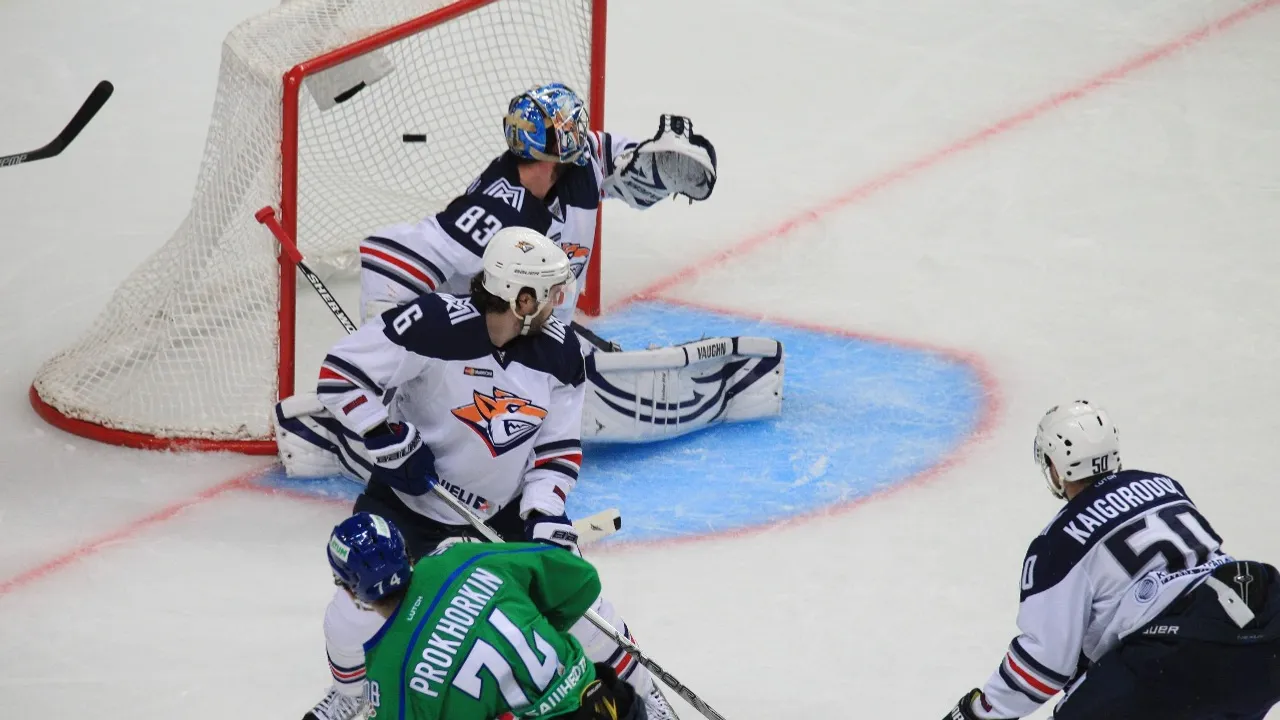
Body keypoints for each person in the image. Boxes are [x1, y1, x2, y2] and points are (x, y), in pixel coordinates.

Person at [278, 228, 677, 720]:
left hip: (502, 510)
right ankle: (351, 695)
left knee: (586, 611)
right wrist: (384, 434)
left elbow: (556, 448)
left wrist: (544, 511)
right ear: (521, 298)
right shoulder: (432, 324)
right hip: (411, 503)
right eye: (549, 293)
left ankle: (647, 694)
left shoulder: (562, 354)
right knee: (351, 613)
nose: (559, 303)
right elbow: (340, 374)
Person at [349, 81, 782, 443]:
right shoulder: (493, 212)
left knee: (584, 369)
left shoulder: (580, 164)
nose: (582, 136)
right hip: (481, 350)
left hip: (540, 330)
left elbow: (625, 164)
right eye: (573, 129)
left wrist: (658, 164)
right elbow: (388, 255)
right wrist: (387, 353)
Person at [942, 400, 1280, 720]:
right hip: (1264, 627)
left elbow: (1043, 666)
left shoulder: (1057, 544)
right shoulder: (1162, 485)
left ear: (1056, 467)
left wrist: (978, 712)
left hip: (1179, 658)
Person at [325, 512, 644, 720]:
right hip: (611, 706)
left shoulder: (388, 673)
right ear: (406, 553)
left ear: (352, 592)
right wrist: (531, 623)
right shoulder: (459, 558)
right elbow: (582, 580)